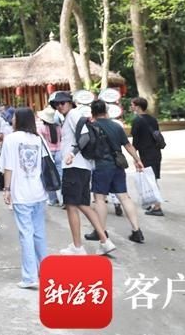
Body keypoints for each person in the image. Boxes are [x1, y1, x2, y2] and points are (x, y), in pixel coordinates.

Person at [51, 91, 115, 255]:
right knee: (84, 205)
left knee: (72, 206)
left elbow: (85, 137)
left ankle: (78, 246)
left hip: (74, 167)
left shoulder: (73, 114)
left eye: (62, 102)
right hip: (82, 167)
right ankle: (104, 241)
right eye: (56, 104)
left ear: (70, 102)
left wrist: (72, 153)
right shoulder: (72, 116)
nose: (59, 106)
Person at [84, 100, 146, 245]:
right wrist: (137, 160)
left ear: (92, 112)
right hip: (118, 165)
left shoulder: (91, 126)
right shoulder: (116, 126)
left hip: (101, 166)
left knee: (99, 199)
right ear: (106, 111)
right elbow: (128, 145)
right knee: (124, 197)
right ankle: (137, 231)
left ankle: (100, 231)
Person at [0, 108, 48, 289]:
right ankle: (45, 271)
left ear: (18, 120)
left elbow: (8, 167)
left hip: (21, 193)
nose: (11, 120)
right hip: (38, 191)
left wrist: (6, 189)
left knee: (25, 234)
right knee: (39, 233)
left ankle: (30, 277)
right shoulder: (38, 139)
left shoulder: (11, 139)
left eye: (14, 117)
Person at [130, 97, 164, 216]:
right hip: (155, 152)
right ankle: (153, 203)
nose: (131, 107)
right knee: (152, 178)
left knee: (151, 179)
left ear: (138, 106)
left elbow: (135, 142)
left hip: (146, 153)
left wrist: (135, 158)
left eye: (132, 105)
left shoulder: (137, 121)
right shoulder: (153, 119)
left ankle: (157, 207)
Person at [37, 106, 63, 206]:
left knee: (48, 176)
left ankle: (52, 199)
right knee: (60, 175)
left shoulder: (41, 128)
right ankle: (62, 199)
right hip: (59, 152)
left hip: (48, 153)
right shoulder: (58, 127)